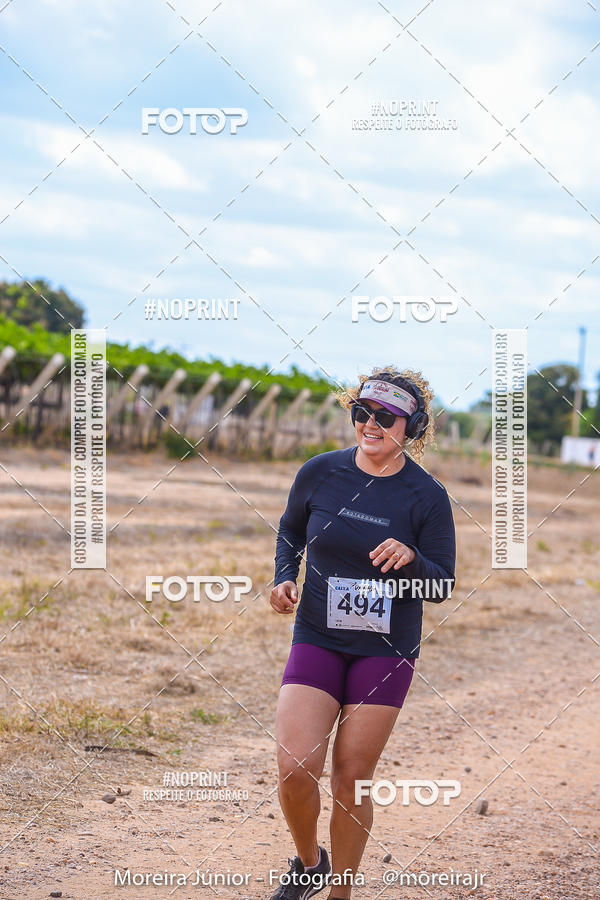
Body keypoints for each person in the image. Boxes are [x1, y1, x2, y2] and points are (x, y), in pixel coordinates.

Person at [268, 367, 456, 900]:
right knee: (295, 766)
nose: (370, 425)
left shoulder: (427, 496)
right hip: (318, 637)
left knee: (352, 778)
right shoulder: (321, 473)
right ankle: (310, 864)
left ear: (412, 428)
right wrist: (285, 574)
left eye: (386, 418)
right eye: (362, 413)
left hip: (386, 652)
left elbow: (441, 585)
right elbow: (291, 530)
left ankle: (341, 894)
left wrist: (413, 558)